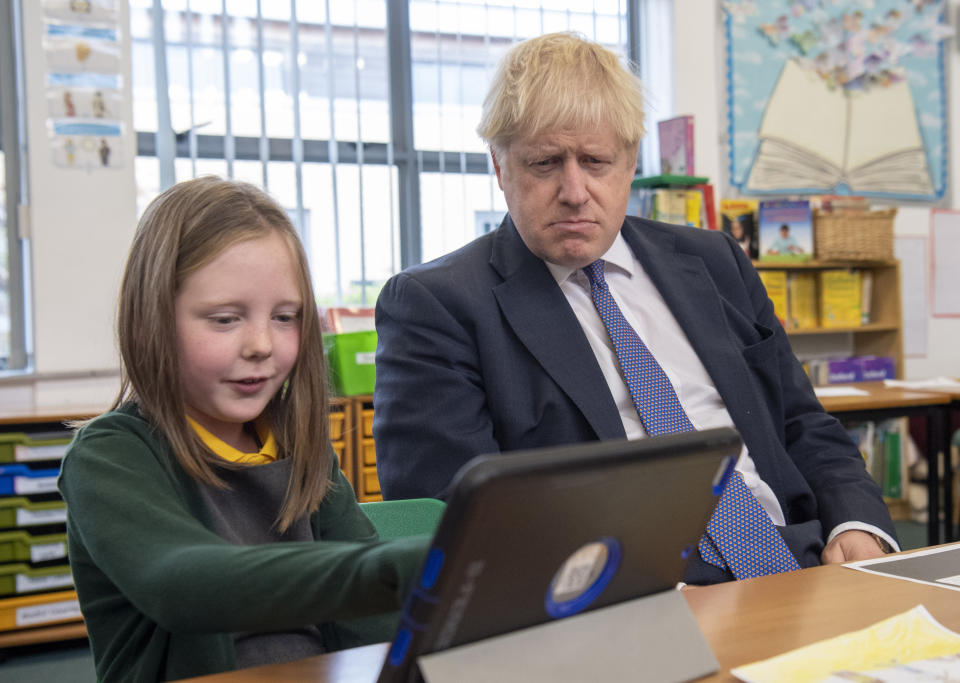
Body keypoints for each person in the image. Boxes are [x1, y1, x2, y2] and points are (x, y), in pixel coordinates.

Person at [373, 32, 897, 585]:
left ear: (629, 164)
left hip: (802, 563)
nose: (574, 191)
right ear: (501, 169)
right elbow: (458, 521)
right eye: (545, 163)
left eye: (596, 161)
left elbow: (799, 421)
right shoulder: (437, 306)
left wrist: (856, 523)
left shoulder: (715, 261)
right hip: (625, 597)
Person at [58, 177, 430, 682]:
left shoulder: (301, 450)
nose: (262, 344)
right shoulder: (110, 456)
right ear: (151, 322)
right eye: (225, 319)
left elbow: (371, 619)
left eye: (285, 317)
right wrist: (412, 565)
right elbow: (186, 584)